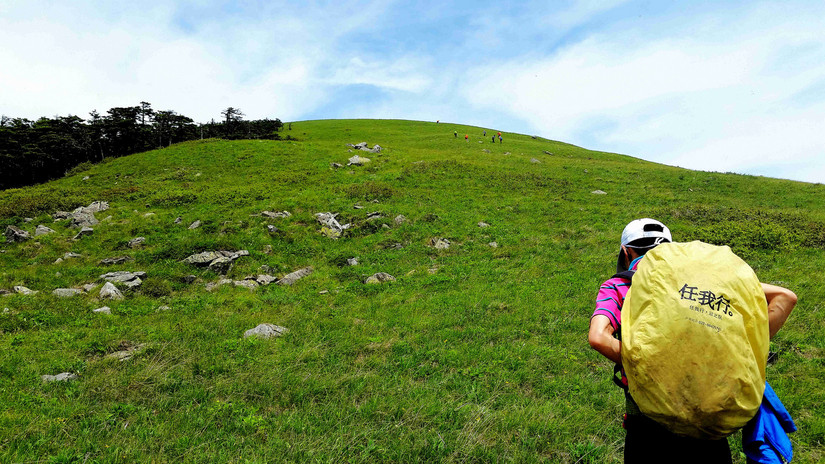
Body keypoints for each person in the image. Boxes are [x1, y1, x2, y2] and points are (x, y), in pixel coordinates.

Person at [588, 218, 797, 463]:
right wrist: (748, 351)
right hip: (710, 416)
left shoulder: (619, 285)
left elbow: (598, 337)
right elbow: (786, 297)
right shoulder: (706, 282)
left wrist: (648, 363)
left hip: (648, 421)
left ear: (626, 251)